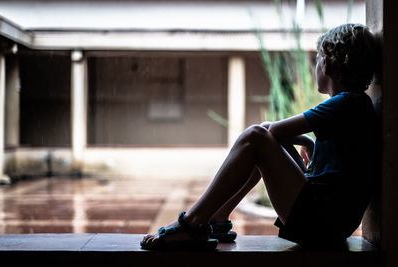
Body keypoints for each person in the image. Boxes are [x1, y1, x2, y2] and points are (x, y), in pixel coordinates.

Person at [140, 23, 379, 250]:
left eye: (316, 59)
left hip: (320, 224)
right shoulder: (357, 103)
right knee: (263, 140)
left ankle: (191, 223)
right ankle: (218, 218)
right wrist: (305, 141)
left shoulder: (347, 101)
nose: (315, 65)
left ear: (327, 64)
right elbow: (279, 134)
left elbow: (269, 131)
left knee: (254, 137)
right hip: (329, 224)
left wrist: (299, 140)